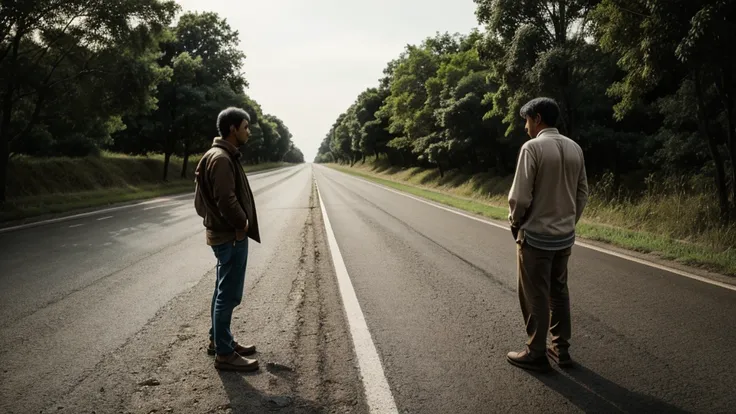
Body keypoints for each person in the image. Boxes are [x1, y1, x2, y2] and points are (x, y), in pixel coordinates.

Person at [506, 97, 588, 372]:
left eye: (527, 120)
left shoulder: (532, 148)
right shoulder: (575, 148)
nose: (525, 126)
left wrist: (516, 223)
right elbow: (582, 193)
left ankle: (535, 352)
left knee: (535, 295)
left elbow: (519, 196)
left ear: (537, 118)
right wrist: (569, 221)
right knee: (559, 292)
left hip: (537, 237)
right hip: (565, 237)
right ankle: (561, 350)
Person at [194, 107, 261, 372]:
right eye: (246, 127)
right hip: (230, 235)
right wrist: (242, 223)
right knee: (228, 294)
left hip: (225, 234)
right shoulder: (221, 158)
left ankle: (219, 340)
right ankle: (224, 353)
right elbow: (225, 199)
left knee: (222, 290)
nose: (249, 131)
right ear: (233, 128)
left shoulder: (217, 154)